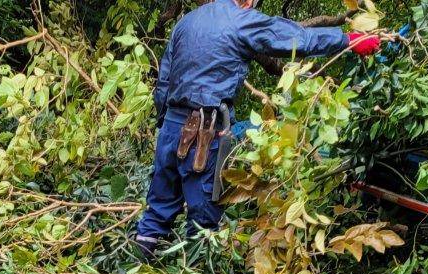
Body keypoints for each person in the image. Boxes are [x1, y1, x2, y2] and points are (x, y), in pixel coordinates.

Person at [135, 0, 382, 258]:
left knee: (157, 209)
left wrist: (165, 126)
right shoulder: (242, 20)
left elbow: (163, 81)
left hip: (171, 127)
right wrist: (348, 40)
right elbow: (298, 39)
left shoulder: (186, 22)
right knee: (203, 218)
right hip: (204, 132)